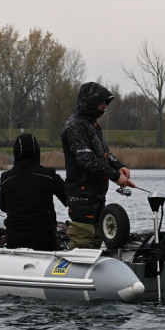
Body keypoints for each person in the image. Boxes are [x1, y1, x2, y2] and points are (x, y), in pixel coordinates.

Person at [61, 82, 134, 249]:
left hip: (97, 197)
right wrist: (116, 177)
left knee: (96, 241)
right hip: (81, 197)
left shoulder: (93, 126)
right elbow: (86, 159)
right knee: (83, 241)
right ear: (89, 102)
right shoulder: (74, 126)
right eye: (102, 102)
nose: (104, 106)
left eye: (107, 103)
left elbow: (105, 154)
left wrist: (119, 166)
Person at [0, 133, 67, 250]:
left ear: (16, 153)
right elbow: (68, 197)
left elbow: (3, 207)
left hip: (14, 242)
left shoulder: (6, 178)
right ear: (37, 152)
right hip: (46, 243)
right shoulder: (49, 175)